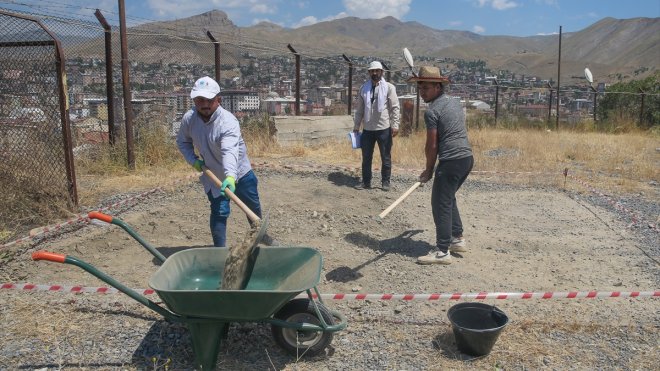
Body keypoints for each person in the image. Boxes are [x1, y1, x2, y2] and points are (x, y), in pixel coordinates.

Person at [176, 76, 274, 247]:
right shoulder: (189, 119)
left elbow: (229, 151)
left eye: (209, 100)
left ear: (218, 100)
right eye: (200, 100)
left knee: (252, 207)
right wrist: (194, 161)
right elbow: (182, 142)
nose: (205, 104)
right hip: (212, 175)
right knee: (219, 212)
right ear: (194, 100)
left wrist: (230, 176)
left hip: (240, 172)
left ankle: (259, 236)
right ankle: (220, 251)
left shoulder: (228, 121)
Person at [408, 66, 474, 265]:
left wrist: (429, 170)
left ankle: (442, 251)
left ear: (438, 87)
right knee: (448, 197)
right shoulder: (453, 103)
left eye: (426, 88)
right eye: (420, 88)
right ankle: (457, 238)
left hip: (451, 161)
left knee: (440, 203)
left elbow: (432, 144)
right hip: (466, 159)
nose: (422, 92)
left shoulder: (432, 112)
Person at [353, 61, 400, 191]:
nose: (374, 73)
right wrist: (357, 126)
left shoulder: (389, 87)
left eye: (377, 71)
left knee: (385, 156)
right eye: (372, 71)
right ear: (369, 73)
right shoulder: (364, 88)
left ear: (381, 72)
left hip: (383, 128)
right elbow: (360, 110)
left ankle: (385, 182)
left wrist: (395, 125)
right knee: (366, 157)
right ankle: (366, 182)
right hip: (368, 129)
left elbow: (395, 107)